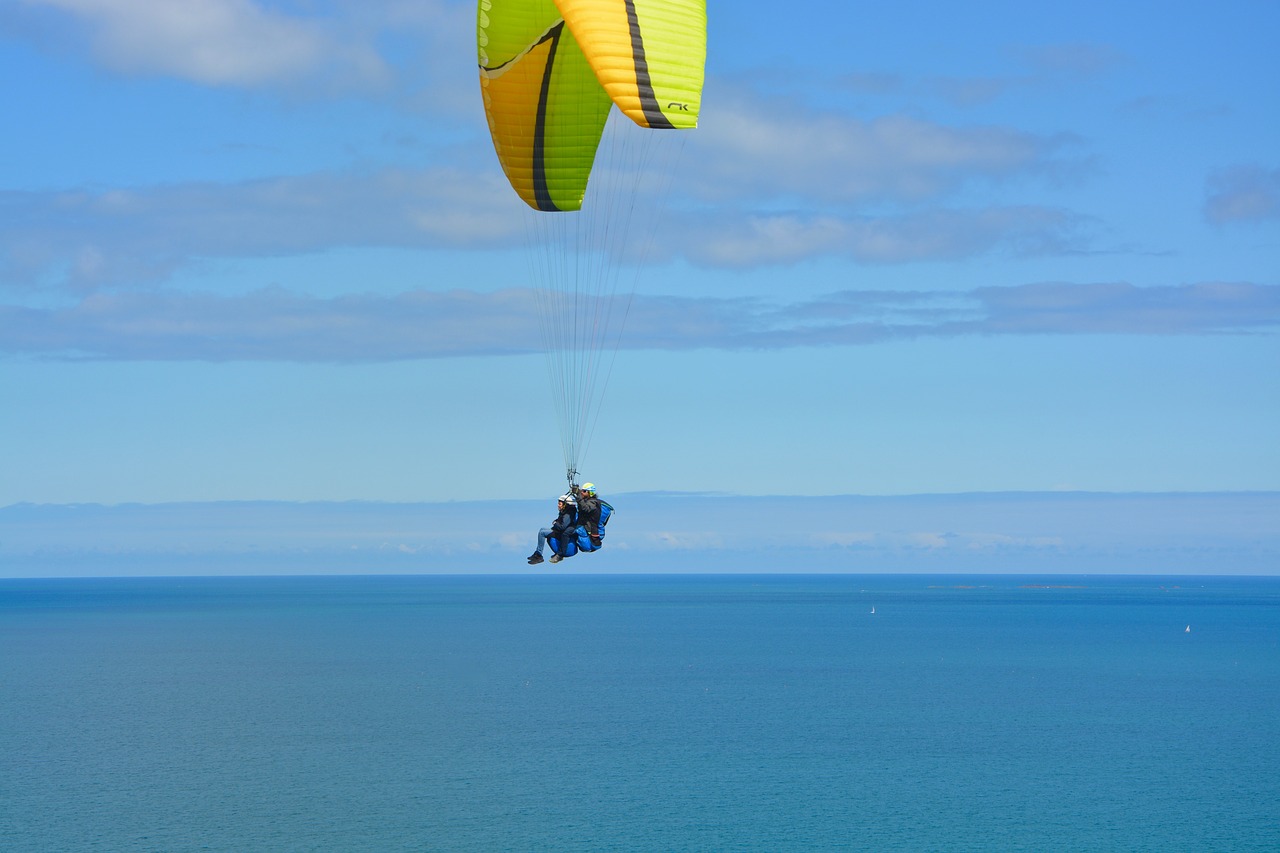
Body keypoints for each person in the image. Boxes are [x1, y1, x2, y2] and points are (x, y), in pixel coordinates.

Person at [528, 494, 576, 565]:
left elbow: (562, 527)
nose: (558, 505)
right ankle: (537, 553)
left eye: (560, 504)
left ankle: (539, 555)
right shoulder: (565, 512)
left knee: (542, 533)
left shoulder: (568, 514)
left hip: (560, 533)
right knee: (542, 529)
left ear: (565, 505)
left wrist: (555, 523)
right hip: (558, 531)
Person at [574, 482, 603, 548]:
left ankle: (561, 553)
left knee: (566, 533)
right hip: (584, 527)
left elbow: (586, 508)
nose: (582, 493)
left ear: (590, 493)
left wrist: (578, 496)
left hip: (588, 529)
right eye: (581, 491)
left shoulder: (593, 502)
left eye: (584, 491)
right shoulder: (586, 501)